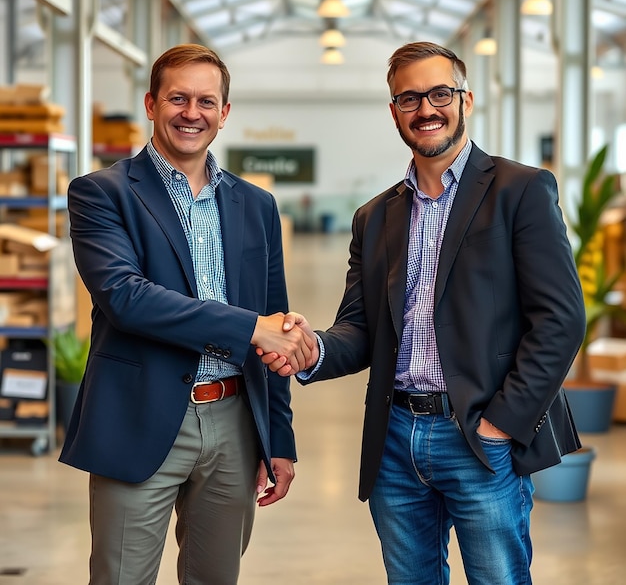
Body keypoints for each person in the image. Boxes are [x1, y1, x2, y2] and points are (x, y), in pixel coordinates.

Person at [261, 41, 586, 584]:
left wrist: (502, 423)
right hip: (394, 439)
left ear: (466, 99)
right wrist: (310, 349)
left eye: (440, 93)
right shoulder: (375, 216)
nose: (426, 109)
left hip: (479, 437)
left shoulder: (520, 190)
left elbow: (560, 320)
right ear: (394, 112)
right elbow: (360, 327)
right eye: (409, 98)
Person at [59, 43, 314, 585]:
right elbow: (126, 297)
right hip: (139, 414)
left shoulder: (257, 205)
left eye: (206, 101)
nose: (191, 113)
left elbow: (278, 330)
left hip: (234, 421)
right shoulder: (101, 194)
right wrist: (250, 327)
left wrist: (280, 441)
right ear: (151, 104)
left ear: (224, 113)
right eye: (178, 98)